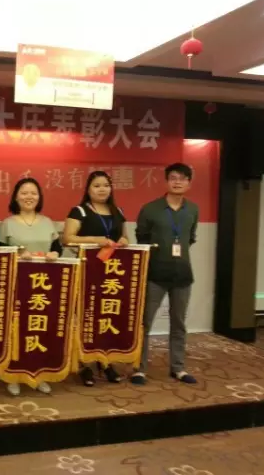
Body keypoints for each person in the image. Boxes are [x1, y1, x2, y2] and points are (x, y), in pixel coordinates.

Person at [131, 163, 198, 386]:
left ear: (189, 183)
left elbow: (190, 238)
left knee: (179, 323)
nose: (177, 182)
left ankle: (178, 368)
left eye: (182, 178)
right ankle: (139, 369)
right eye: (173, 178)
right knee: (144, 323)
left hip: (183, 274)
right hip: (155, 274)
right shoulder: (150, 209)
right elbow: (141, 237)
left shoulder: (192, 209)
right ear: (166, 181)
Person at [62, 170, 129, 387]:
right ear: (88, 189)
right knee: (85, 317)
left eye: (106, 185)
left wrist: (124, 241)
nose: (102, 189)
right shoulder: (80, 211)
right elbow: (67, 239)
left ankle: (105, 361)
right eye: (97, 185)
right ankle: (84, 365)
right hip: (87, 271)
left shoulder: (118, 211)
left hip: (112, 274)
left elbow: (124, 236)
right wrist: (96, 240)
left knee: (106, 316)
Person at [0, 177, 62, 396]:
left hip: (43, 286)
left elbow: (57, 248)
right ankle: (13, 375)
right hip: (17, 285)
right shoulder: (7, 223)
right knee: (16, 328)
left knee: (40, 328)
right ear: (16, 197)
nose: (29, 197)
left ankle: (39, 374)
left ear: (39, 197)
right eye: (24, 193)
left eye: (33, 193)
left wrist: (55, 254)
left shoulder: (48, 222)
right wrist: (17, 252)